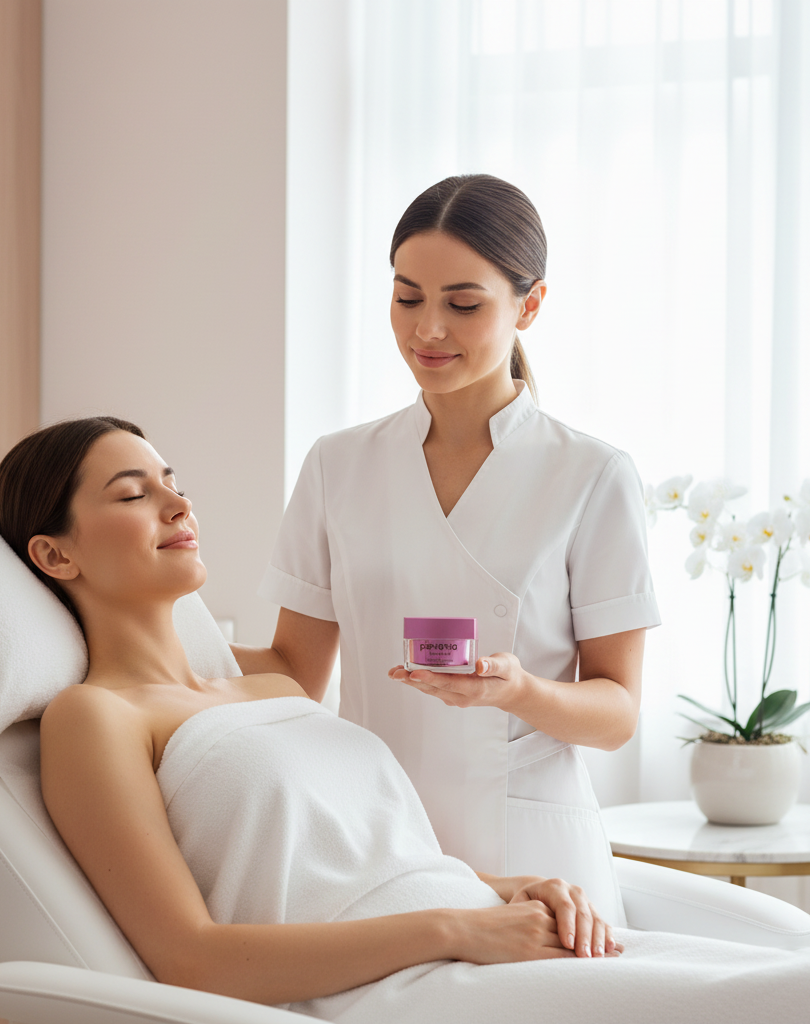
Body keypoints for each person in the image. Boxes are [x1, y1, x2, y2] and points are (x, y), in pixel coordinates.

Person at [0, 416, 810, 1024]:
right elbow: (192, 958)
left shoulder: (271, 690)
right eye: (134, 495)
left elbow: (373, 859)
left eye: (175, 486)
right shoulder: (93, 718)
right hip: (397, 990)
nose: (179, 507)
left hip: (480, 938)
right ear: (56, 553)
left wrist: (509, 891)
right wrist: (459, 929)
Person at [234, 174, 658, 922]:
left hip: (536, 852)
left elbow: (618, 712)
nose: (427, 329)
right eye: (407, 298)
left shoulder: (591, 475)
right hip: (375, 842)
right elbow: (296, 672)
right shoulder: (340, 465)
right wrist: (151, 641)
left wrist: (517, 691)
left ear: (530, 305)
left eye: (463, 304)